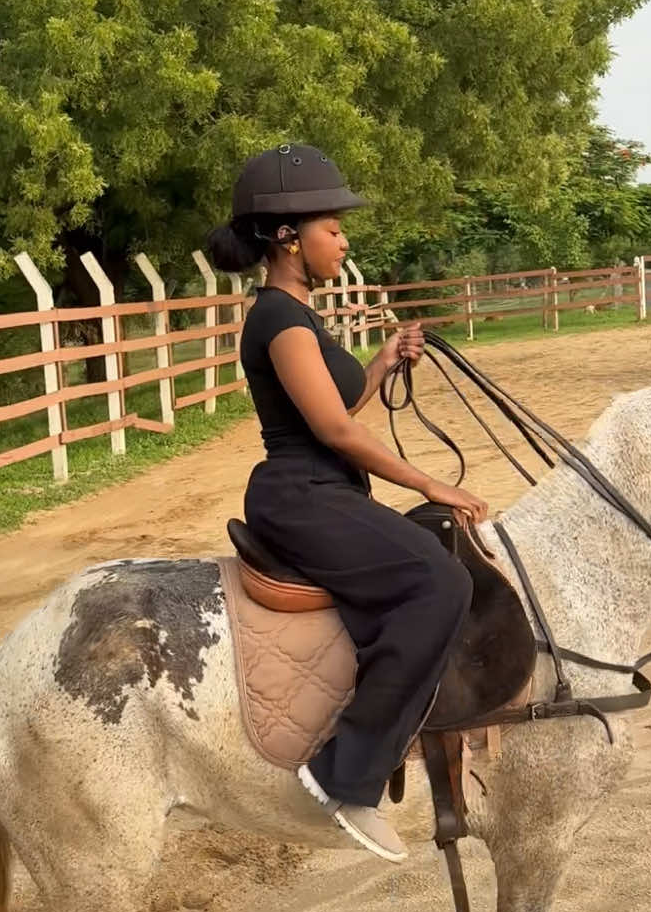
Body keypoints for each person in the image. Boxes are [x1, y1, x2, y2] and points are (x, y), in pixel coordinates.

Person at [209, 144, 488, 863]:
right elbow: (334, 430)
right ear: (287, 237)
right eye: (332, 228)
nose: (344, 239)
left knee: (438, 554)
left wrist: (385, 362)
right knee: (439, 583)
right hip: (300, 493)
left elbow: (336, 405)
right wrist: (431, 482)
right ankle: (344, 773)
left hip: (320, 485)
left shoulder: (298, 313)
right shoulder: (280, 320)